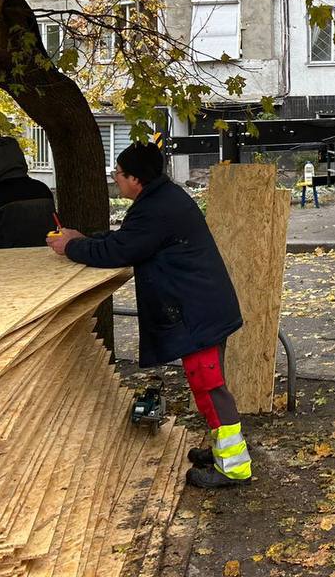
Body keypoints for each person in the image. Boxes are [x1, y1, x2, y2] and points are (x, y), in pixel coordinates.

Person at [47, 142, 248, 489]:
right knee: (207, 388)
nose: (115, 178)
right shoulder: (161, 199)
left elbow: (121, 250)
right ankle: (222, 450)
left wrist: (71, 247)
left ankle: (233, 467)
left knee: (210, 388)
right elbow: (130, 239)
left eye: (119, 174)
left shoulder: (156, 207)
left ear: (135, 179)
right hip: (202, 308)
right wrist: (84, 239)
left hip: (196, 313)